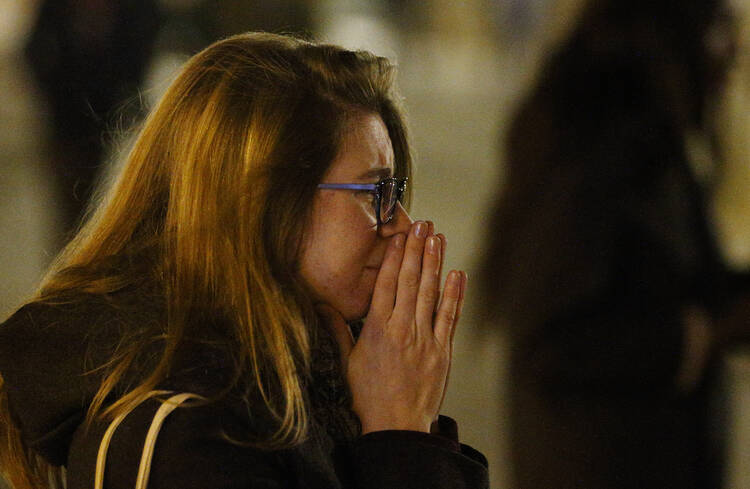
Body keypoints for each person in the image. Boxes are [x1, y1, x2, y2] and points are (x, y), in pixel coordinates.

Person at [0, 32, 488, 489]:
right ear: (261, 202)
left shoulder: (308, 382)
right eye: (375, 191)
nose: (401, 224)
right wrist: (401, 442)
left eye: (396, 191)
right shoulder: (186, 432)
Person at [480, 0, 749, 488]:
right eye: (719, 28)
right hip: (599, 463)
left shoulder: (655, 141)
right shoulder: (594, 150)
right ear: (666, 31)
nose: (735, 50)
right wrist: (699, 337)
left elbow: (674, 283)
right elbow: (551, 341)